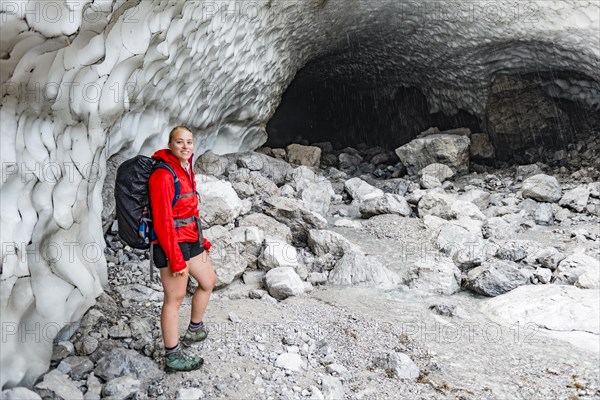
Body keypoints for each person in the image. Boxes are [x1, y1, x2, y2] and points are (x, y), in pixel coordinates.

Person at [148, 125, 217, 372]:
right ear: (170, 144)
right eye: (180, 142)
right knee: (174, 299)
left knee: (208, 281)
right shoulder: (163, 175)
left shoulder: (185, 169)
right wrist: (175, 258)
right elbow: (163, 220)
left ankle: (195, 329)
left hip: (190, 240)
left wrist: (202, 240)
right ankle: (172, 356)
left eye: (189, 142)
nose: (185, 146)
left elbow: (190, 211)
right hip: (171, 245)